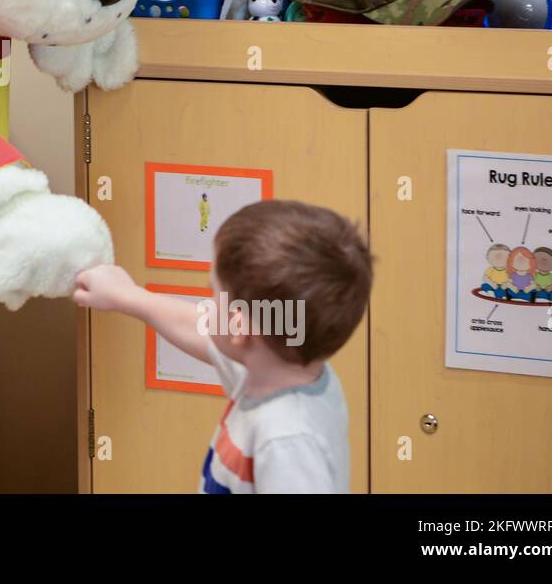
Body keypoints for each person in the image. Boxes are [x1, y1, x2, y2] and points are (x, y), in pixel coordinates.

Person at [74, 199, 372, 493]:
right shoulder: (277, 366)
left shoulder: (287, 439)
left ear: (238, 326)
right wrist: (127, 296)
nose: (206, 305)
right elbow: (200, 330)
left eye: (212, 293)